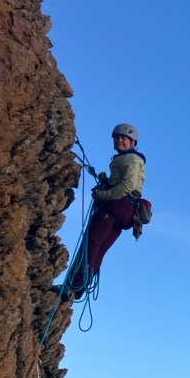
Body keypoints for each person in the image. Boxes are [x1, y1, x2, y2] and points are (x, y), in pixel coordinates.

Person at [66, 123, 146, 300]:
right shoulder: (127, 159)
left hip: (116, 206)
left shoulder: (132, 159)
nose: (119, 140)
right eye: (116, 138)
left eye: (123, 138)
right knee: (100, 249)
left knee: (91, 244)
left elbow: (127, 185)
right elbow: (125, 183)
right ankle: (78, 289)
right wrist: (106, 180)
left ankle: (73, 285)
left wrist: (103, 195)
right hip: (127, 212)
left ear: (132, 142)